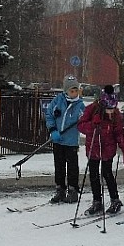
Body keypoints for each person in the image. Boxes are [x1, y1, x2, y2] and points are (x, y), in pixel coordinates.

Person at [78, 85, 124, 215]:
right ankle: (97, 201)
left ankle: (115, 199)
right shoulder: (92, 109)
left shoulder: (116, 115)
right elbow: (80, 126)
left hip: (108, 148)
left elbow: (119, 133)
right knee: (94, 174)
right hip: (93, 147)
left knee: (107, 173)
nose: (110, 111)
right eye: (108, 109)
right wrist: (93, 125)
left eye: (112, 108)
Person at [44, 75, 86, 204]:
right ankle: (60, 189)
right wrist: (52, 130)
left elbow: (84, 123)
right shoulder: (57, 101)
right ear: (65, 91)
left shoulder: (80, 106)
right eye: (71, 91)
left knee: (72, 167)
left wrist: (82, 123)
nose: (74, 93)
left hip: (71, 142)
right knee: (59, 166)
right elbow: (49, 115)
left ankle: (73, 190)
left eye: (75, 90)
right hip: (58, 140)